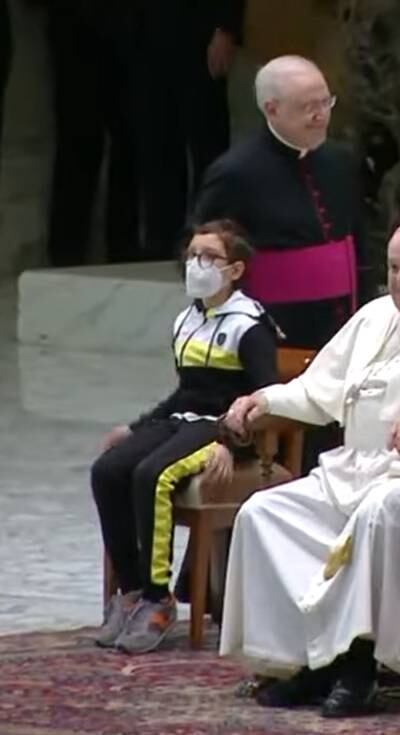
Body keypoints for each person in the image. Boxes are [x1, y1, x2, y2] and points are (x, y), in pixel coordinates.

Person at [217, 219, 400, 718]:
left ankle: (360, 668)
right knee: (263, 512)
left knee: (378, 514)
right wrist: (261, 400)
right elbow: (318, 390)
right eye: (394, 268)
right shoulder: (374, 317)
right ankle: (306, 662)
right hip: (352, 471)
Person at [91, 220, 278, 654]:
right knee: (108, 470)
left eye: (209, 257)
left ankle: (160, 599)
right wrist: (136, 428)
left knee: (152, 475)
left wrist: (231, 444)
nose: (198, 264)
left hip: (219, 427)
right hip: (182, 417)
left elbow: (267, 397)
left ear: (234, 270)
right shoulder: (187, 319)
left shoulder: (249, 325)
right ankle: (133, 589)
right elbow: (187, 390)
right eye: (193, 255)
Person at [192, 54, 367, 351]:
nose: (321, 115)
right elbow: (201, 253)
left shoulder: (341, 161)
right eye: (307, 107)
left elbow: (359, 240)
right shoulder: (235, 172)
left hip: (345, 324)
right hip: (273, 329)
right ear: (271, 109)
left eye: (326, 102)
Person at [135, 0, 244, 259]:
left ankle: (212, 242)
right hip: (146, 35)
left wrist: (226, 29)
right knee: (157, 144)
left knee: (207, 145)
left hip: (200, 34)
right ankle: (161, 244)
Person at [39, 0, 141, 266]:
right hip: (75, 26)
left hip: (129, 26)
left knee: (129, 143)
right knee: (76, 141)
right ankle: (67, 251)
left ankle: (122, 247)